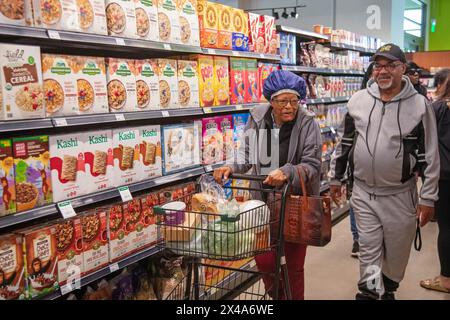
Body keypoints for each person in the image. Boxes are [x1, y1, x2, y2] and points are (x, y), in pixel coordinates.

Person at [329, 43, 440, 300]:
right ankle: (369, 292)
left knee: (396, 252)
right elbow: (345, 142)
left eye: (391, 65)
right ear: (373, 70)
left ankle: (388, 288)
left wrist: (428, 198)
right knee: (368, 249)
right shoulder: (358, 100)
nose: (384, 71)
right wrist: (336, 177)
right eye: (379, 65)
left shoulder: (420, 106)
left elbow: (431, 155)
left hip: (400, 195)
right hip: (364, 193)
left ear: (402, 68)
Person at [213, 70, 322, 300]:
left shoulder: (307, 122)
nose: (289, 107)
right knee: (265, 260)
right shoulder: (260, 117)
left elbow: (312, 166)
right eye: (283, 101)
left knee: (292, 266)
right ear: (271, 101)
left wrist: (288, 172)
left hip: (293, 204)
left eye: (294, 101)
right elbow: (247, 153)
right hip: (261, 203)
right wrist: (230, 167)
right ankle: (277, 298)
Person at [420, 68, 450, 294]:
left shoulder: (438, 108)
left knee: (447, 228)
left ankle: (446, 279)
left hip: (445, 176)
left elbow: (427, 144)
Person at [348, 62, 375, 258]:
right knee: (356, 201)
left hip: (386, 177)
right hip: (358, 166)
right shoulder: (263, 120)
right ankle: (358, 239)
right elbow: (346, 138)